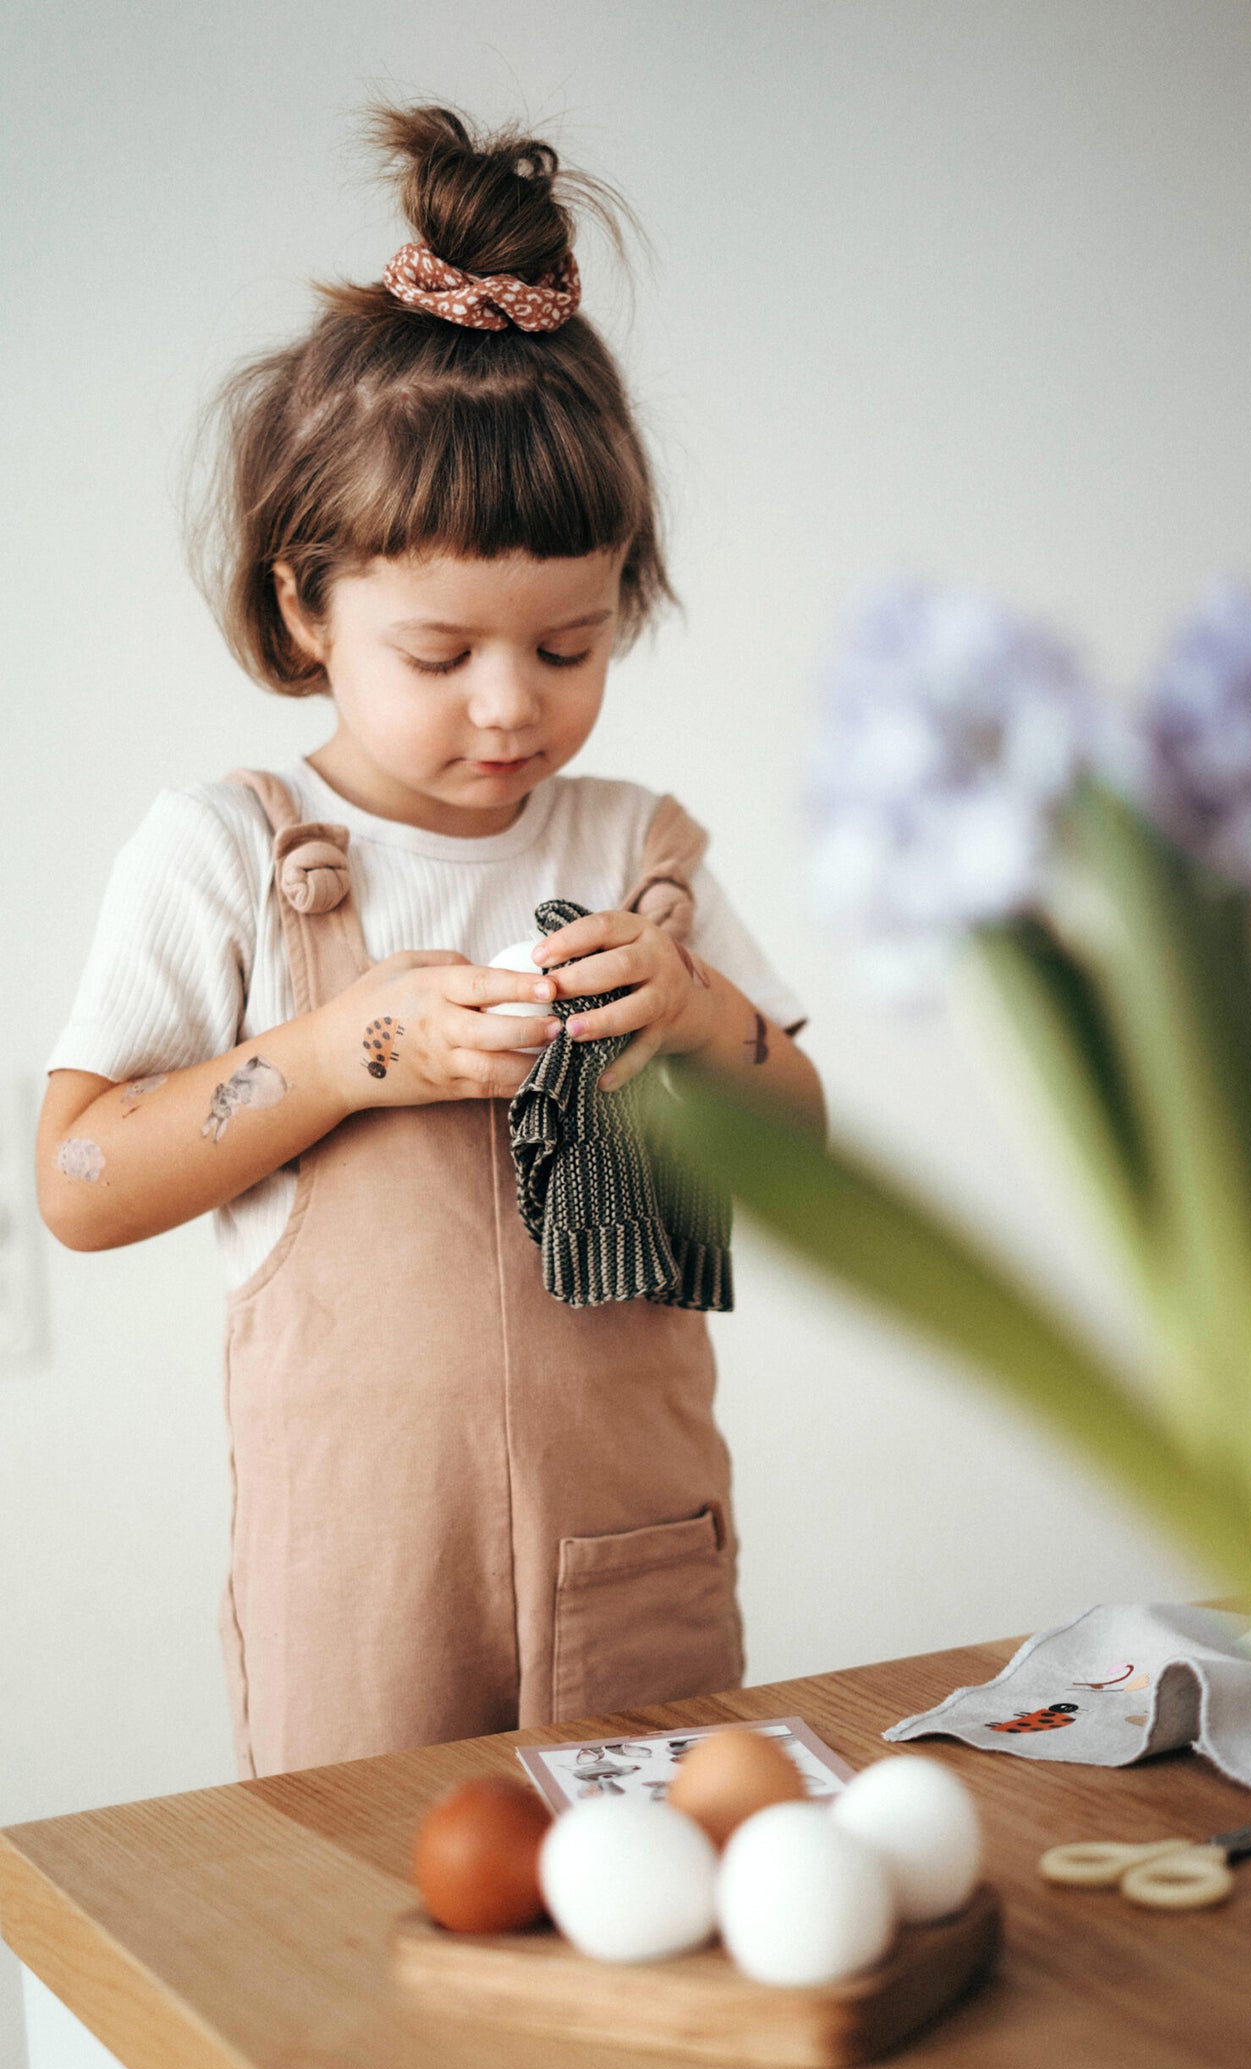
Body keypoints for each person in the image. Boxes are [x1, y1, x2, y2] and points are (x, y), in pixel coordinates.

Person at [35, 101, 825, 1780]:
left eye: (569, 641)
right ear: (307, 601)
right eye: (440, 646)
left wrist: (692, 1017)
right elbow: (80, 1183)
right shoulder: (230, 859)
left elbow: (801, 1144)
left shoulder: (638, 851)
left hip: (640, 1563)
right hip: (365, 1590)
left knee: (662, 1915)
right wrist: (337, 1057)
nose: (506, 704)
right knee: (370, 1935)